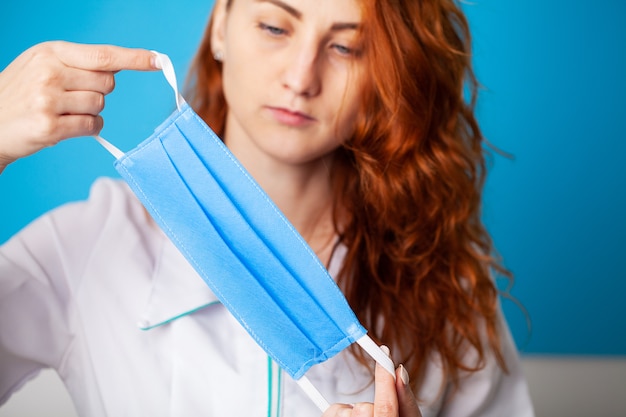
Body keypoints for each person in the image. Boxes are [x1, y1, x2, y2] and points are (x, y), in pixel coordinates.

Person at [0, 0, 534, 415]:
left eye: (346, 47)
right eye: (275, 28)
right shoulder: (86, 245)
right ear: (221, 28)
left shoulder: (444, 287)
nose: (301, 78)